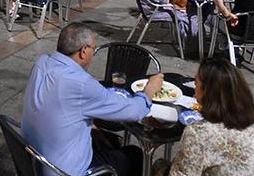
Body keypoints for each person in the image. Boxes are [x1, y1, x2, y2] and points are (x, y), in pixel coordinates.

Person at [22, 23, 164, 176]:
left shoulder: (41, 63)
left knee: (103, 137)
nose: (93, 54)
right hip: (63, 171)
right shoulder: (81, 83)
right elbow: (133, 112)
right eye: (94, 50)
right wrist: (148, 91)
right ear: (83, 51)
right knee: (135, 155)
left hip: (32, 159)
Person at [159, 57, 254, 176]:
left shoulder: (198, 133)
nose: (194, 90)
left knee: (160, 166)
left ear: (207, 92)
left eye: (196, 83)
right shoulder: (251, 125)